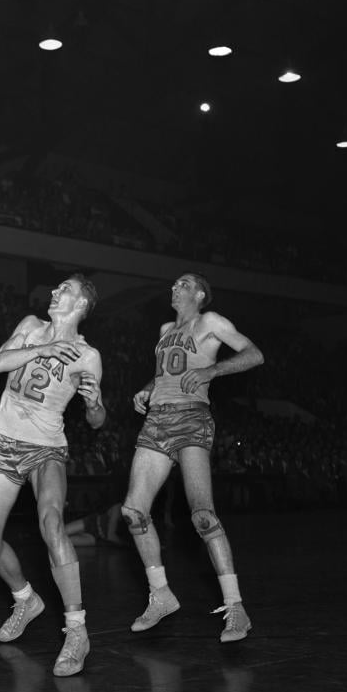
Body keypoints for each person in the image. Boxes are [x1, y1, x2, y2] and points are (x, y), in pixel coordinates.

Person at [122, 273, 263, 643]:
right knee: (133, 512)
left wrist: (212, 369)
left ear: (200, 294)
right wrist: (147, 388)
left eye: (184, 284)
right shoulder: (166, 327)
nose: (175, 287)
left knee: (202, 514)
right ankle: (161, 594)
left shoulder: (211, 322)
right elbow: (165, 372)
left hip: (192, 418)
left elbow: (254, 354)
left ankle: (235, 608)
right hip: (157, 420)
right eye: (174, 284)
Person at [0, 275, 105, 676]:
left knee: (52, 523)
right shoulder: (30, 326)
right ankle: (25, 599)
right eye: (55, 287)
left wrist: (94, 406)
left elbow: (97, 420)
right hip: (4, 443)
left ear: (82, 304)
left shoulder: (88, 356)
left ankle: (77, 631)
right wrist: (46, 346)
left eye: (65, 289)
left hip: (46, 447)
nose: (55, 291)